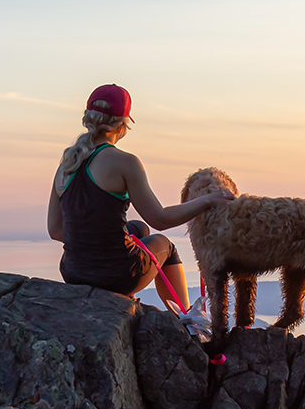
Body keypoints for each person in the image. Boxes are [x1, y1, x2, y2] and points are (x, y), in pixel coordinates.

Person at [47, 84, 234, 308]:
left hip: (74, 272)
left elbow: (56, 230)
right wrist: (207, 200)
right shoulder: (125, 162)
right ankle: (185, 320)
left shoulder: (67, 163)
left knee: (139, 229)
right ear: (122, 124)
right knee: (166, 246)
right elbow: (160, 219)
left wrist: (90, 244)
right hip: (117, 275)